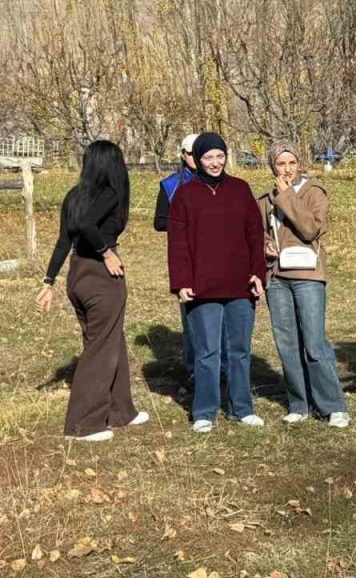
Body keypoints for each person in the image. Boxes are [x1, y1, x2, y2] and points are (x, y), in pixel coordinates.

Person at [35, 140, 146, 442]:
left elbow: (63, 242)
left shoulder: (74, 195)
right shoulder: (110, 193)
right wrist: (107, 253)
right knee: (100, 348)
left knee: (111, 340)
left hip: (77, 275)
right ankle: (84, 424)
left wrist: (49, 282)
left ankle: (122, 410)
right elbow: (86, 225)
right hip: (100, 276)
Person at [168, 132, 268, 434]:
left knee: (239, 350)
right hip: (202, 288)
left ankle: (242, 407)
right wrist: (181, 282)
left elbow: (255, 235)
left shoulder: (240, 189)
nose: (215, 163)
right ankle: (205, 411)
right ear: (197, 160)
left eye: (220, 156)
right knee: (207, 352)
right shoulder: (185, 196)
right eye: (208, 157)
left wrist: (257, 273)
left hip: (240, 286)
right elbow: (178, 244)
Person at [258, 140, 349, 428]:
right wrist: (265, 246)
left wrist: (286, 197)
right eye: (280, 164)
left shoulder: (314, 192)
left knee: (314, 342)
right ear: (272, 166)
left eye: (291, 163)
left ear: (300, 164)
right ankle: (299, 403)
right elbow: (255, 234)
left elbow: (310, 229)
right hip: (277, 278)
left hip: (308, 276)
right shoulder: (263, 199)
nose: (286, 170)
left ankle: (333, 405)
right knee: (287, 343)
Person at [154, 132, 208, 376]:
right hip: (186, 255)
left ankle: (221, 365)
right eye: (190, 154)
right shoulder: (170, 185)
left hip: (216, 254)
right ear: (183, 155)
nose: (195, 158)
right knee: (191, 314)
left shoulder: (217, 181)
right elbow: (159, 222)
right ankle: (193, 367)